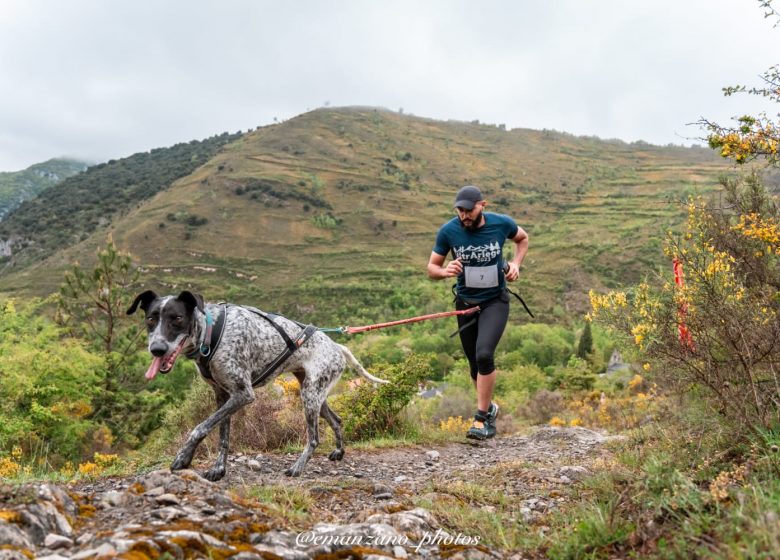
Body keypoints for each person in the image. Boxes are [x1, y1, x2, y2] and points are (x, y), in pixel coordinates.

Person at [427, 185, 529, 440]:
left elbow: (523, 239)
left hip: (495, 301)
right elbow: (431, 268)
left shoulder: (501, 224)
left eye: (469, 210)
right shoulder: (448, 231)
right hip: (465, 304)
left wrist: (516, 264)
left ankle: (481, 418)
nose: (464, 215)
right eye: (459, 210)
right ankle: (490, 407)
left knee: (484, 355)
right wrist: (445, 270)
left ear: (483, 205)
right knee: (474, 365)